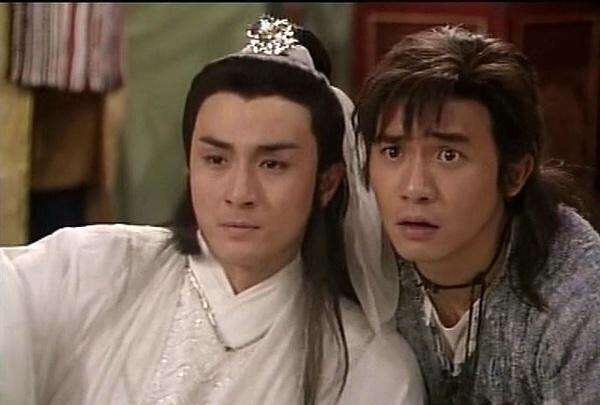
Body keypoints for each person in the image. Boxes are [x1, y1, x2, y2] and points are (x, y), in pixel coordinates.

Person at [0, 16, 425, 405]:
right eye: (216, 160)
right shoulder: (92, 268)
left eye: (272, 165)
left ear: (327, 183)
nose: (239, 193)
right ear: (190, 165)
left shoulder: (367, 368)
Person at [350, 25, 600, 404]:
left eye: (448, 155)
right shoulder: (362, 256)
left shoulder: (578, 301)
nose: (414, 188)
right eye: (393, 152)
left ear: (514, 174)